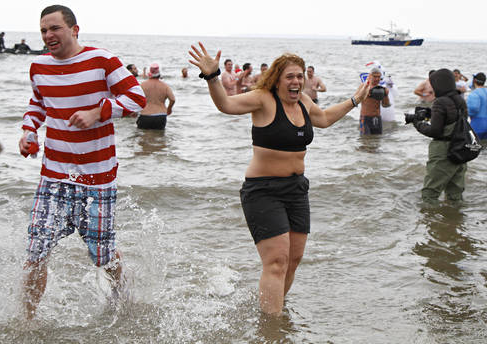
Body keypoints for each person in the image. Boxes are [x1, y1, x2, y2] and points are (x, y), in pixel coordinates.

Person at [188, 42, 367, 316]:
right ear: (277, 79)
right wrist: (212, 77)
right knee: (276, 262)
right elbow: (225, 104)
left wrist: (355, 99)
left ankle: (270, 314)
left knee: (293, 260)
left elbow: (325, 118)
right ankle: (271, 326)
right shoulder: (262, 99)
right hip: (263, 191)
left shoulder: (304, 101)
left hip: (296, 190)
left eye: (300, 76)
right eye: (290, 77)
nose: (296, 82)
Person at [18, 5, 146, 319]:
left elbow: (137, 98)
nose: (48, 35)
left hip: (97, 178)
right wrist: (28, 130)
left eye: (55, 28)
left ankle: (122, 301)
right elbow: (38, 103)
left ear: (75, 30)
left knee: (101, 255)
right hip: (53, 175)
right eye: (43, 30)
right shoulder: (38, 66)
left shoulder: (102, 60)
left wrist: (97, 112)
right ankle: (27, 322)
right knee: (36, 253)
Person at [412, 69, 468, 202]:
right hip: (460, 149)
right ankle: (454, 220)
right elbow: (454, 120)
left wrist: (417, 123)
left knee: (430, 194)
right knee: (455, 193)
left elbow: (435, 131)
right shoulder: (460, 101)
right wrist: (431, 114)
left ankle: (430, 221)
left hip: (443, 152)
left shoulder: (440, 102)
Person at [137, 63, 175, 130]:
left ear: (150, 74)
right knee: (160, 137)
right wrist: (169, 109)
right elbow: (172, 99)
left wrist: (134, 111)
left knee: (143, 137)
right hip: (160, 115)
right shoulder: (165, 86)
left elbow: (136, 98)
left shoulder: (142, 85)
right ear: (159, 74)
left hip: (145, 115)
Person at [466, 72, 487, 140]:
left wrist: (466, 113)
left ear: (474, 80)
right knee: (485, 146)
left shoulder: (474, 94)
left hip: (477, 123)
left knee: (473, 146)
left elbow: (474, 108)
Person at [359, 67, 390, 135]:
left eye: (378, 77)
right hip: (365, 119)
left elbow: (385, 105)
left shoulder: (381, 89)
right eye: (375, 76)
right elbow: (355, 100)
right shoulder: (363, 87)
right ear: (370, 76)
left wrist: (386, 95)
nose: (377, 79)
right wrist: (365, 93)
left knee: (377, 141)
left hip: (377, 118)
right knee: (365, 141)